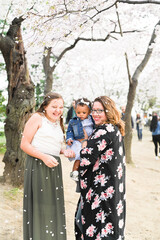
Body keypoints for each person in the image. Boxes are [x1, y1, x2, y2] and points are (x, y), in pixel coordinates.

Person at [20, 92, 75, 240]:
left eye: (61, 107)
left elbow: (52, 145)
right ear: (45, 106)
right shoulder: (37, 118)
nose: (58, 110)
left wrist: (64, 151)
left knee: (52, 207)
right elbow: (24, 144)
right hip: (38, 166)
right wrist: (44, 157)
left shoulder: (58, 122)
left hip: (53, 168)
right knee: (40, 206)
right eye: (54, 106)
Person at [76, 96, 126, 240]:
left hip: (101, 191)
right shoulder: (114, 129)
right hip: (110, 189)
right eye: (94, 110)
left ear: (108, 111)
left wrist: (84, 142)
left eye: (100, 110)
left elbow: (86, 158)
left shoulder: (105, 130)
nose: (95, 114)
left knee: (97, 229)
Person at [66, 98, 95, 182]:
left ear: (89, 112)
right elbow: (69, 131)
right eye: (78, 113)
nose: (81, 115)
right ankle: (74, 172)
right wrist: (69, 138)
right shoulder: (73, 121)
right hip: (78, 141)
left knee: (87, 157)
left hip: (89, 141)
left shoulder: (92, 120)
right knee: (79, 155)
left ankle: (84, 172)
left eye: (84, 113)